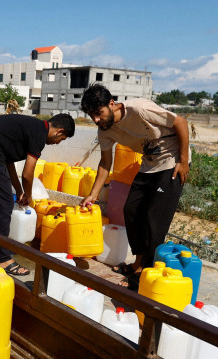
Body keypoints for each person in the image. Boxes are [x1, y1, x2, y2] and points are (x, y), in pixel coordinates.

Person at [78, 83, 190, 289]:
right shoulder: (105, 130)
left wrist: (183, 161)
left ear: (112, 104)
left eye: (99, 113)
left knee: (153, 218)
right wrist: (92, 194)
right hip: (149, 164)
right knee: (131, 210)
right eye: (91, 115)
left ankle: (144, 274)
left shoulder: (139, 109)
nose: (96, 119)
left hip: (171, 162)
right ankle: (138, 262)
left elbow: (180, 123)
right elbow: (105, 163)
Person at [0, 113, 75, 276]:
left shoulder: (32, 128)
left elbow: (8, 163)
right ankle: (4, 259)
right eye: (62, 139)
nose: (58, 143)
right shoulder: (39, 135)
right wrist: (28, 195)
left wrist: (19, 191)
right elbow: (27, 173)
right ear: (59, 131)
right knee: (5, 203)